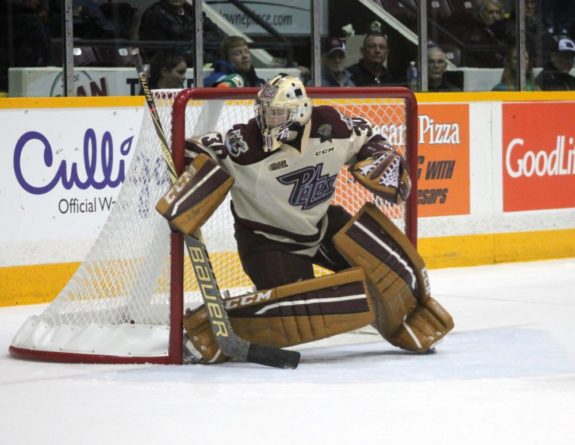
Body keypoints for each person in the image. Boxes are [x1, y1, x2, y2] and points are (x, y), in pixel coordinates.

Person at [156, 74, 454, 363]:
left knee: (389, 267)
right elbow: (199, 148)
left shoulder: (331, 126)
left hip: (322, 224)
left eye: (275, 114)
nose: (265, 120)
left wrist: (378, 156)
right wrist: (188, 167)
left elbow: (368, 137)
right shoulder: (244, 144)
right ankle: (211, 327)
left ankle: (405, 320)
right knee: (300, 310)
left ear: (298, 113)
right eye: (264, 111)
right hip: (268, 241)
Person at [138, 0, 224, 65]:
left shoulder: (191, 10)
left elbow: (218, 34)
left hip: (195, 58)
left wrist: (198, 39)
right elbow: (174, 44)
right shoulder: (154, 14)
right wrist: (198, 35)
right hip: (167, 64)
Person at [462, 0, 511, 67]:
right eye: (491, 12)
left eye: (498, 12)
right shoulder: (476, 34)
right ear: (481, 14)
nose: (495, 16)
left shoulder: (504, 31)